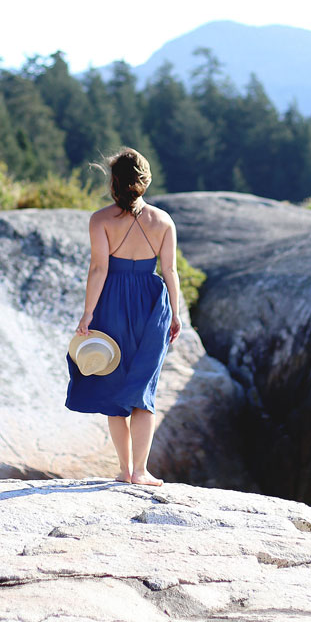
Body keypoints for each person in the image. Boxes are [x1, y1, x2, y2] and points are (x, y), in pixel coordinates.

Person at [66, 147, 181, 486]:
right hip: (151, 305)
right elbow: (170, 271)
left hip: (112, 302)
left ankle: (124, 471)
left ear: (114, 182)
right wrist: (176, 314)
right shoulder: (163, 221)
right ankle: (141, 471)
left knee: (114, 386)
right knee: (144, 390)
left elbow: (99, 268)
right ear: (144, 180)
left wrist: (87, 314)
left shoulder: (100, 219)